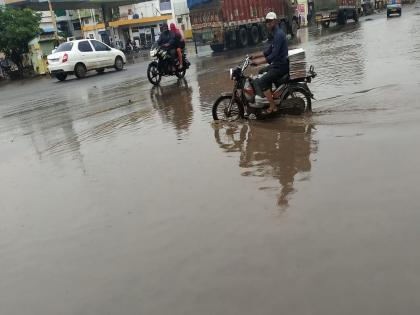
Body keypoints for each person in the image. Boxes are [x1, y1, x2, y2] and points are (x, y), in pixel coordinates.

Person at [251, 12, 289, 114]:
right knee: (261, 72)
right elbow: (268, 52)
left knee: (262, 81)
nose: (268, 23)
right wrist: (254, 56)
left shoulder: (279, 35)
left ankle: (273, 106)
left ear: (275, 21)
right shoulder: (275, 34)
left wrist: (258, 62)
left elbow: (273, 56)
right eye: (267, 21)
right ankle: (269, 96)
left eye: (270, 21)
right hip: (277, 64)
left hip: (280, 66)